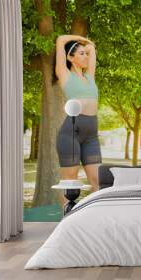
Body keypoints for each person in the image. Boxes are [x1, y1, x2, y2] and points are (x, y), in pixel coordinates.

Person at [55, 35, 101, 192]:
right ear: (70, 57)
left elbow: (91, 47)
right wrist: (81, 39)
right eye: (81, 54)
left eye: (86, 54)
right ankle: (66, 216)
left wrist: (85, 47)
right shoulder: (65, 74)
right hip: (71, 133)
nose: (86, 56)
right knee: (70, 182)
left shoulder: (90, 76)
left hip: (91, 136)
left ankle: (98, 216)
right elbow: (61, 40)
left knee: (97, 180)